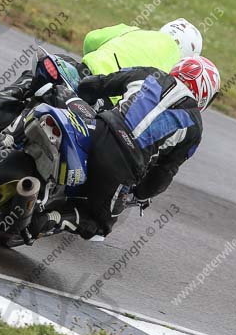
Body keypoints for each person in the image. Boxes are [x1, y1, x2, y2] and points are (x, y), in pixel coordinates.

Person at [28, 56, 221, 241]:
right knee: (99, 225)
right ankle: (52, 218)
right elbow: (165, 172)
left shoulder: (151, 74)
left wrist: (83, 94)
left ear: (179, 68)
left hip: (98, 130)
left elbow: (100, 84)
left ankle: (12, 141)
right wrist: (140, 194)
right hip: (125, 164)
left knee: (52, 112)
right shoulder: (195, 127)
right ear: (205, 94)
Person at [0, 18, 203, 101]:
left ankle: (9, 92)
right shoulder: (174, 73)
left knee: (53, 64)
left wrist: (97, 58)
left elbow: (91, 39)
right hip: (109, 105)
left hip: (84, 73)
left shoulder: (133, 30)